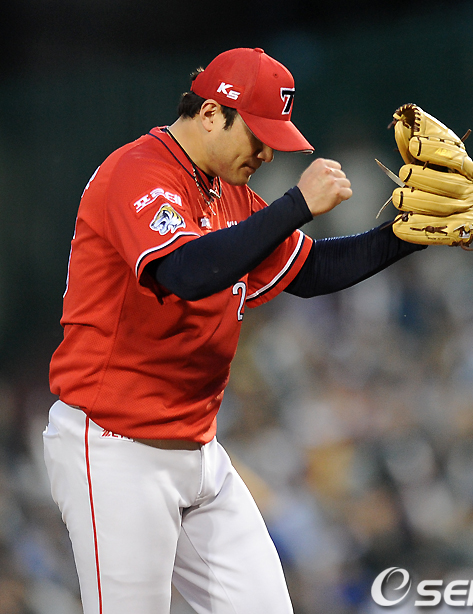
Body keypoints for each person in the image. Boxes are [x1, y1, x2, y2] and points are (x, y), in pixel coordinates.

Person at [43, 47, 424, 614]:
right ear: (211, 113)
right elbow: (187, 272)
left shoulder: (229, 193)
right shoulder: (137, 171)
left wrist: (408, 234)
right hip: (114, 451)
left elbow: (311, 270)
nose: (267, 153)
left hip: (198, 450)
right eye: (258, 135)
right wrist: (296, 204)